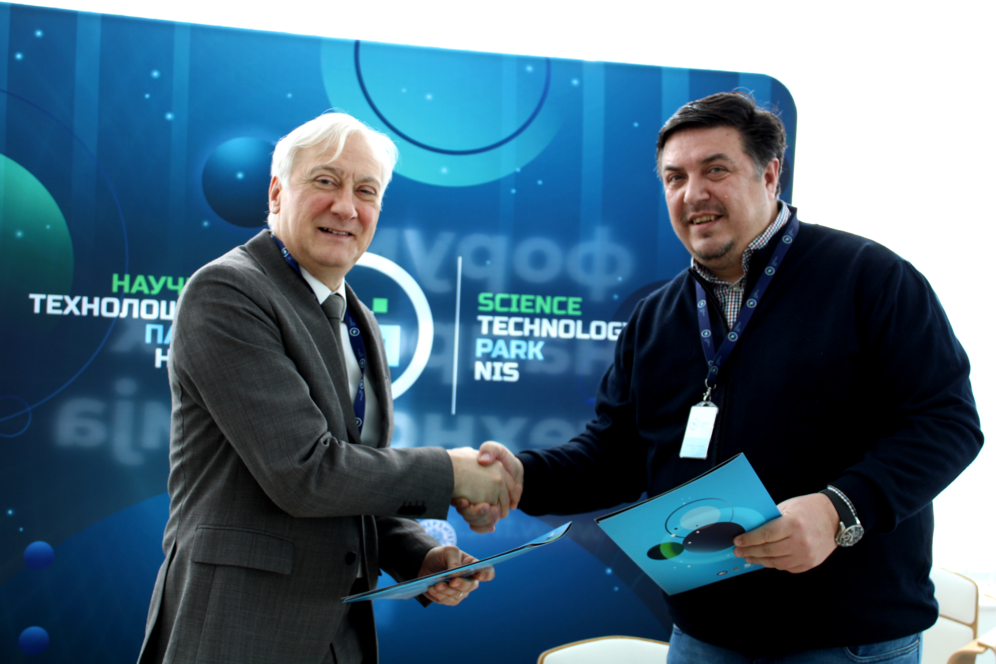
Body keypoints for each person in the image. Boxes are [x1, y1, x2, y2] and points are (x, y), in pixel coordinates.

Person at [459, 92, 983, 662]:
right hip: (702, 640)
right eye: (675, 178)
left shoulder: (871, 279)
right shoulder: (655, 317)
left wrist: (839, 510)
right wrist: (523, 476)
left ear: (770, 174)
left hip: (845, 641)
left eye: (715, 170)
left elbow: (947, 422)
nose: (693, 194)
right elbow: (614, 454)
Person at [138, 112, 514, 664]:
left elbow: (356, 482)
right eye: (326, 181)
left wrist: (419, 557)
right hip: (237, 631)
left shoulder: (359, 319)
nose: (346, 207)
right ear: (276, 193)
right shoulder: (227, 291)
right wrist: (453, 472)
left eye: (366, 191)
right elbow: (303, 473)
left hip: (340, 636)